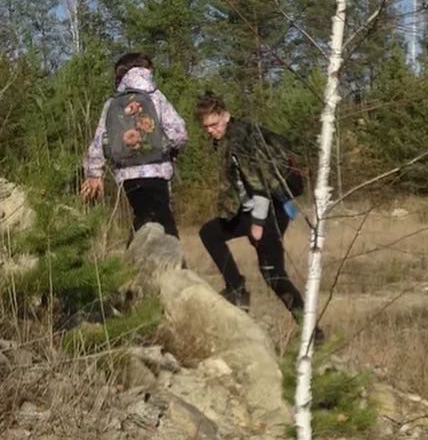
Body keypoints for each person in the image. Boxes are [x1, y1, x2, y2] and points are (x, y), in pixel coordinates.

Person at [193, 92, 309, 324]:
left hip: (268, 212)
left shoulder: (240, 142)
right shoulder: (237, 133)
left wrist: (257, 223)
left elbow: (260, 183)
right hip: (256, 211)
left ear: (225, 115)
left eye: (213, 124)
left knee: (274, 275)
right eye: (206, 127)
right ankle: (236, 287)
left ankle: (311, 331)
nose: (210, 130)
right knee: (210, 232)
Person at [80, 52, 188, 237]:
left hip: (127, 175)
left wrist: (94, 172)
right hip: (158, 170)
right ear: (146, 70)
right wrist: (173, 149)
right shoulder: (156, 97)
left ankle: (134, 264)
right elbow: (179, 133)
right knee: (165, 224)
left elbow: (99, 140)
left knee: (142, 218)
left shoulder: (113, 102)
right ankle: (174, 265)